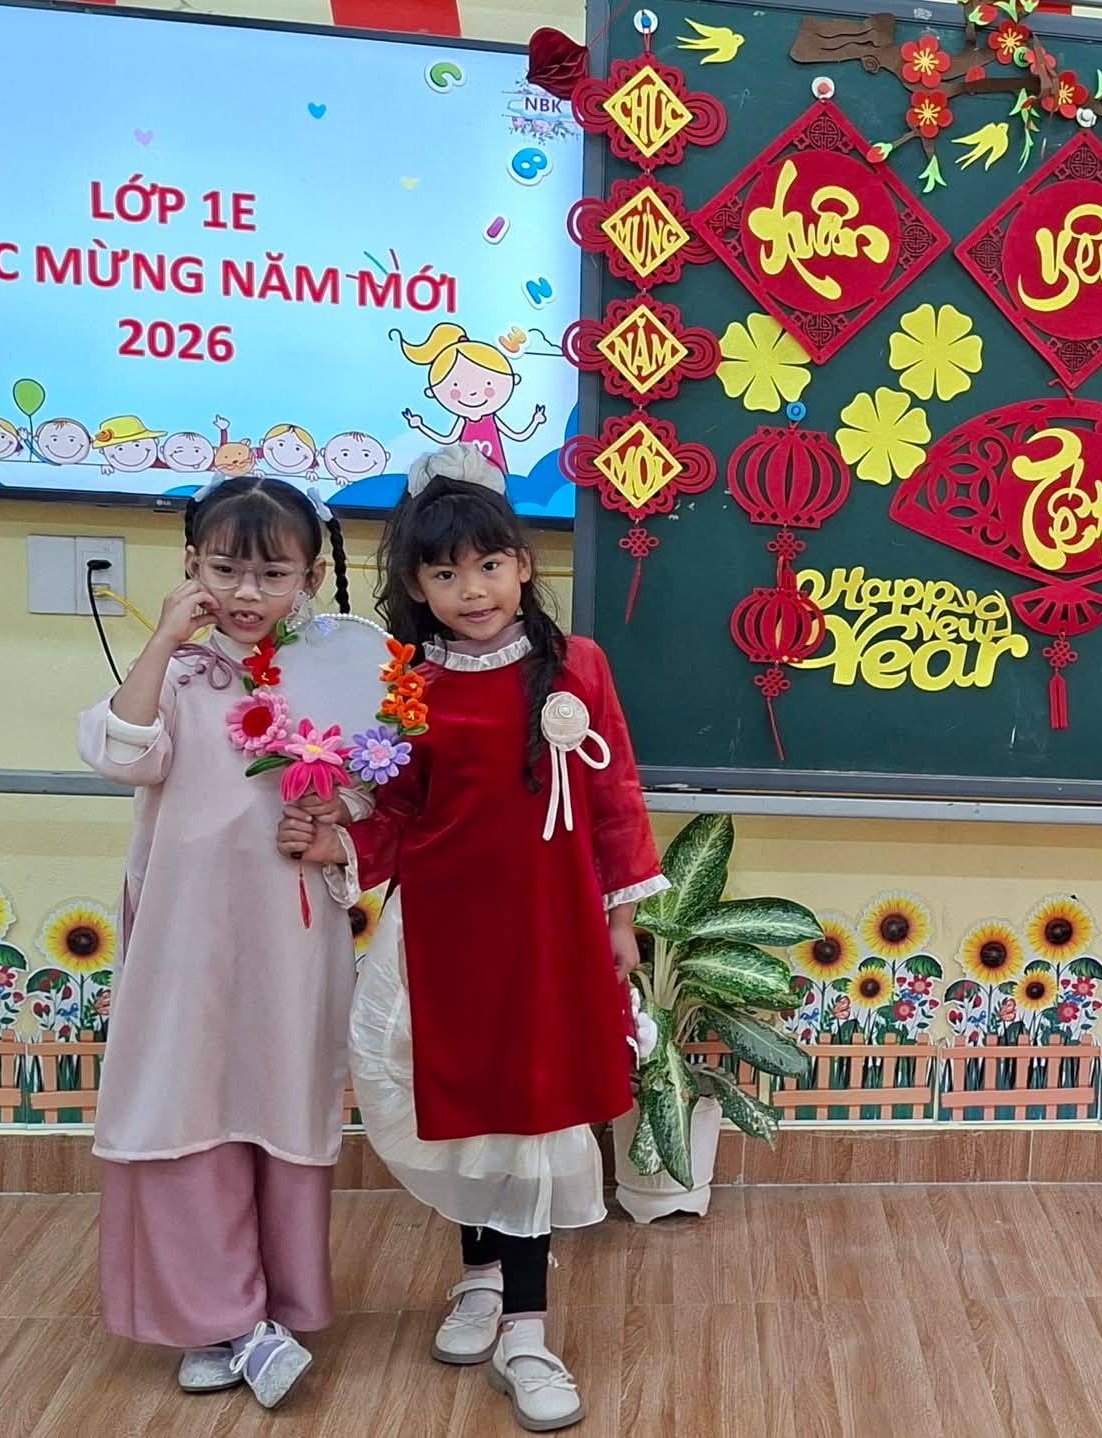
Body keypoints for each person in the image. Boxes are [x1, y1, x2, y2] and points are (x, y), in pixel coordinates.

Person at [281, 445, 663, 1433]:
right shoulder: (407, 683)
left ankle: (527, 1335)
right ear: (416, 586)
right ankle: (481, 1278)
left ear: (522, 564)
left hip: (547, 933)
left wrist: (621, 918)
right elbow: (399, 810)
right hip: (440, 930)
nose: (472, 589)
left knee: (530, 1111)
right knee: (455, 1093)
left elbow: (615, 796)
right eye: (445, 573)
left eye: (489, 565)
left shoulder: (576, 667)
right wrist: (336, 837)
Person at [78, 473, 362, 1411]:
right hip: (185, 935)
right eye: (225, 569)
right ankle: (216, 1320)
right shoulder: (181, 678)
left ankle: (269, 1311)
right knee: (188, 1096)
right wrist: (164, 639)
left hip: (291, 931)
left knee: (277, 1093)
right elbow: (121, 752)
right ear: (192, 567)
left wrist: (334, 823)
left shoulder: (337, 673)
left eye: (272, 574)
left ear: (308, 577)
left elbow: (375, 791)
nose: (247, 592)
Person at [395, 324, 547, 474]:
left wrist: (535, 421)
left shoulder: (491, 419)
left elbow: (518, 435)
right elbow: (447, 440)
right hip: (464, 480)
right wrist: (420, 425)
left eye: (488, 383)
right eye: (455, 386)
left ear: (513, 379)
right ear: (433, 392)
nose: (473, 393)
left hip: (497, 477)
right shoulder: (464, 422)